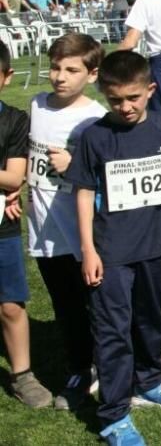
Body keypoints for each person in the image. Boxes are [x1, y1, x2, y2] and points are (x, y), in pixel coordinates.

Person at [66, 51, 161, 444]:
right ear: (105, 93)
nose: (125, 106)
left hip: (152, 247)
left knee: (151, 319)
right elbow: (84, 194)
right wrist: (88, 249)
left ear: (149, 90)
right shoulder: (94, 137)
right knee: (113, 332)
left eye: (133, 98)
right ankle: (113, 414)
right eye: (116, 99)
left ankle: (151, 380)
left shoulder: (160, 126)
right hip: (111, 253)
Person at [27, 33, 107, 409]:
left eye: (71, 69)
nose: (60, 76)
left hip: (82, 230)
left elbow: (109, 173)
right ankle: (79, 368)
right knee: (64, 304)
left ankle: (116, 364)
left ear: (91, 74)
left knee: (97, 303)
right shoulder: (37, 104)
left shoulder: (95, 117)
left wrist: (73, 165)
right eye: (56, 67)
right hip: (43, 229)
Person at [0, 40, 52, 409]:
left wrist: (8, 182)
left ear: (6, 77)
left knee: (11, 305)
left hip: (2, 225)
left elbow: (13, 179)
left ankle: (23, 375)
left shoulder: (14, 120)